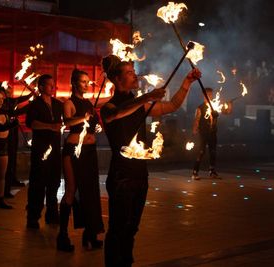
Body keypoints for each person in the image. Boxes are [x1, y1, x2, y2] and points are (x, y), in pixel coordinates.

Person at [100, 55, 201, 267]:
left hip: (139, 174)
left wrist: (186, 83)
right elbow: (115, 114)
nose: (134, 75)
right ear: (117, 80)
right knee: (118, 227)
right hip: (121, 176)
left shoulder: (140, 105)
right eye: (128, 72)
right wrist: (146, 98)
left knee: (132, 227)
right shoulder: (109, 107)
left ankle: (126, 262)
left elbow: (172, 105)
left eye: (133, 71)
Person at [56, 69, 104, 252]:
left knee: (91, 192)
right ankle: (62, 235)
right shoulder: (69, 103)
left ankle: (90, 233)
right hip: (74, 151)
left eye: (87, 82)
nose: (86, 84)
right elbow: (67, 122)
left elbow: (94, 125)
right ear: (75, 83)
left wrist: (96, 126)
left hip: (90, 151)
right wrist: (82, 118)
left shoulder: (89, 103)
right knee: (71, 191)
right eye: (83, 82)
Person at [25, 74, 63, 229]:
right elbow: (31, 123)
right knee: (38, 183)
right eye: (49, 85)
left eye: (53, 85)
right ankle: (33, 217)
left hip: (55, 149)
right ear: (41, 87)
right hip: (41, 149)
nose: (52, 88)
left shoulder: (57, 104)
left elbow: (64, 119)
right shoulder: (35, 104)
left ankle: (52, 214)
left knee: (54, 182)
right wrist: (50, 126)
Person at [0, 82, 36, 199]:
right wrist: (29, 106)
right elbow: (12, 113)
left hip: (10, 133)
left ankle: (5, 189)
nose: (9, 92)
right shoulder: (0, 104)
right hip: (1, 137)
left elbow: (20, 100)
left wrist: (31, 95)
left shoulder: (8, 101)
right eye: (7, 91)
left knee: (10, 160)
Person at [191, 88, 231, 180]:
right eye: (208, 95)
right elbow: (196, 120)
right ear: (204, 96)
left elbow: (227, 112)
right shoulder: (200, 108)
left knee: (213, 152)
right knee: (201, 152)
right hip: (203, 133)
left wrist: (229, 105)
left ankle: (212, 172)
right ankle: (195, 172)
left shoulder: (215, 106)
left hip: (213, 133)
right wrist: (194, 131)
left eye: (211, 94)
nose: (210, 96)